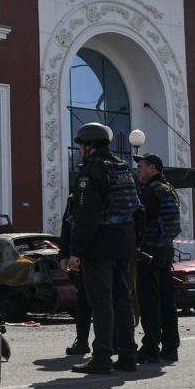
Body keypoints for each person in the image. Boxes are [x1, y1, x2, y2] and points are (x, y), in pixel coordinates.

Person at [67, 123, 143, 375]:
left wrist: (76, 251)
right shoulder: (123, 168)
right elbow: (137, 209)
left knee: (101, 302)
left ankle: (101, 357)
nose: (80, 151)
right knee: (123, 299)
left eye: (81, 146)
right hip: (125, 242)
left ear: (89, 146)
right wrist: (134, 241)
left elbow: (85, 216)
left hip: (100, 245)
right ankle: (128, 355)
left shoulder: (91, 172)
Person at [133, 153, 181, 364]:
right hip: (165, 251)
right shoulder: (168, 188)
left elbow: (141, 222)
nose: (138, 170)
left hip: (149, 252)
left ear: (153, 168)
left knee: (149, 302)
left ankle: (150, 347)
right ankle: (171, 348)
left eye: (141, 166)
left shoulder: (151, 191)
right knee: (167, 301)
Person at [60, 193, 93, 356]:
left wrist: (69, 254)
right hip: (107, 256)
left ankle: (85, 343)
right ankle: (112, 343)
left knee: (87, 303)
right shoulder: (114, 190)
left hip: (87, 259)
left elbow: (70, 227)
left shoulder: (82, 195)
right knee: (105, 302)